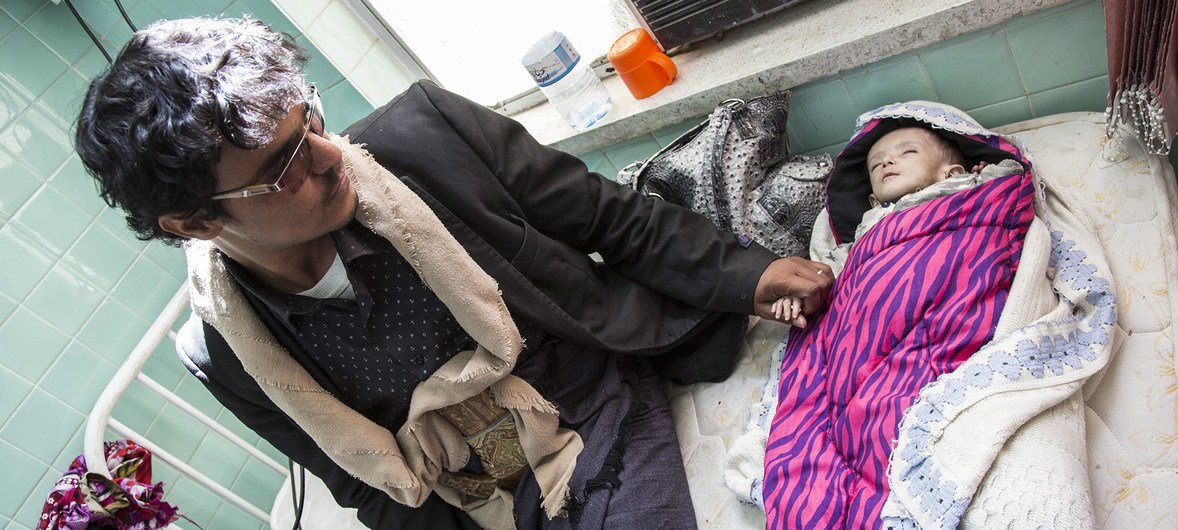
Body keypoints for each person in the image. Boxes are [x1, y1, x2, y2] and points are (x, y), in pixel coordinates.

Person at [74, 17, 833, 530]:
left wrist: (749, 275)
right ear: (196, 222)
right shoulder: (228, 353)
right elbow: (364, 484)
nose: (330, 155)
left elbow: (608, 218)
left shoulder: (425, 136)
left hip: (585, 406)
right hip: (469, 495)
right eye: (285, 166)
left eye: (309, 119)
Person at [769, 120, 1017, 326]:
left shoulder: (961, 189)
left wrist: (985, 176)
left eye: (908, 152)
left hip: (958, 290)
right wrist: (798, 294)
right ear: (873, 200)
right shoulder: (871, 224)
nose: (886, 162)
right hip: (886, 308)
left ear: (951, 173)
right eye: (876, 164)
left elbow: (1010, 181)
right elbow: (830, 273)